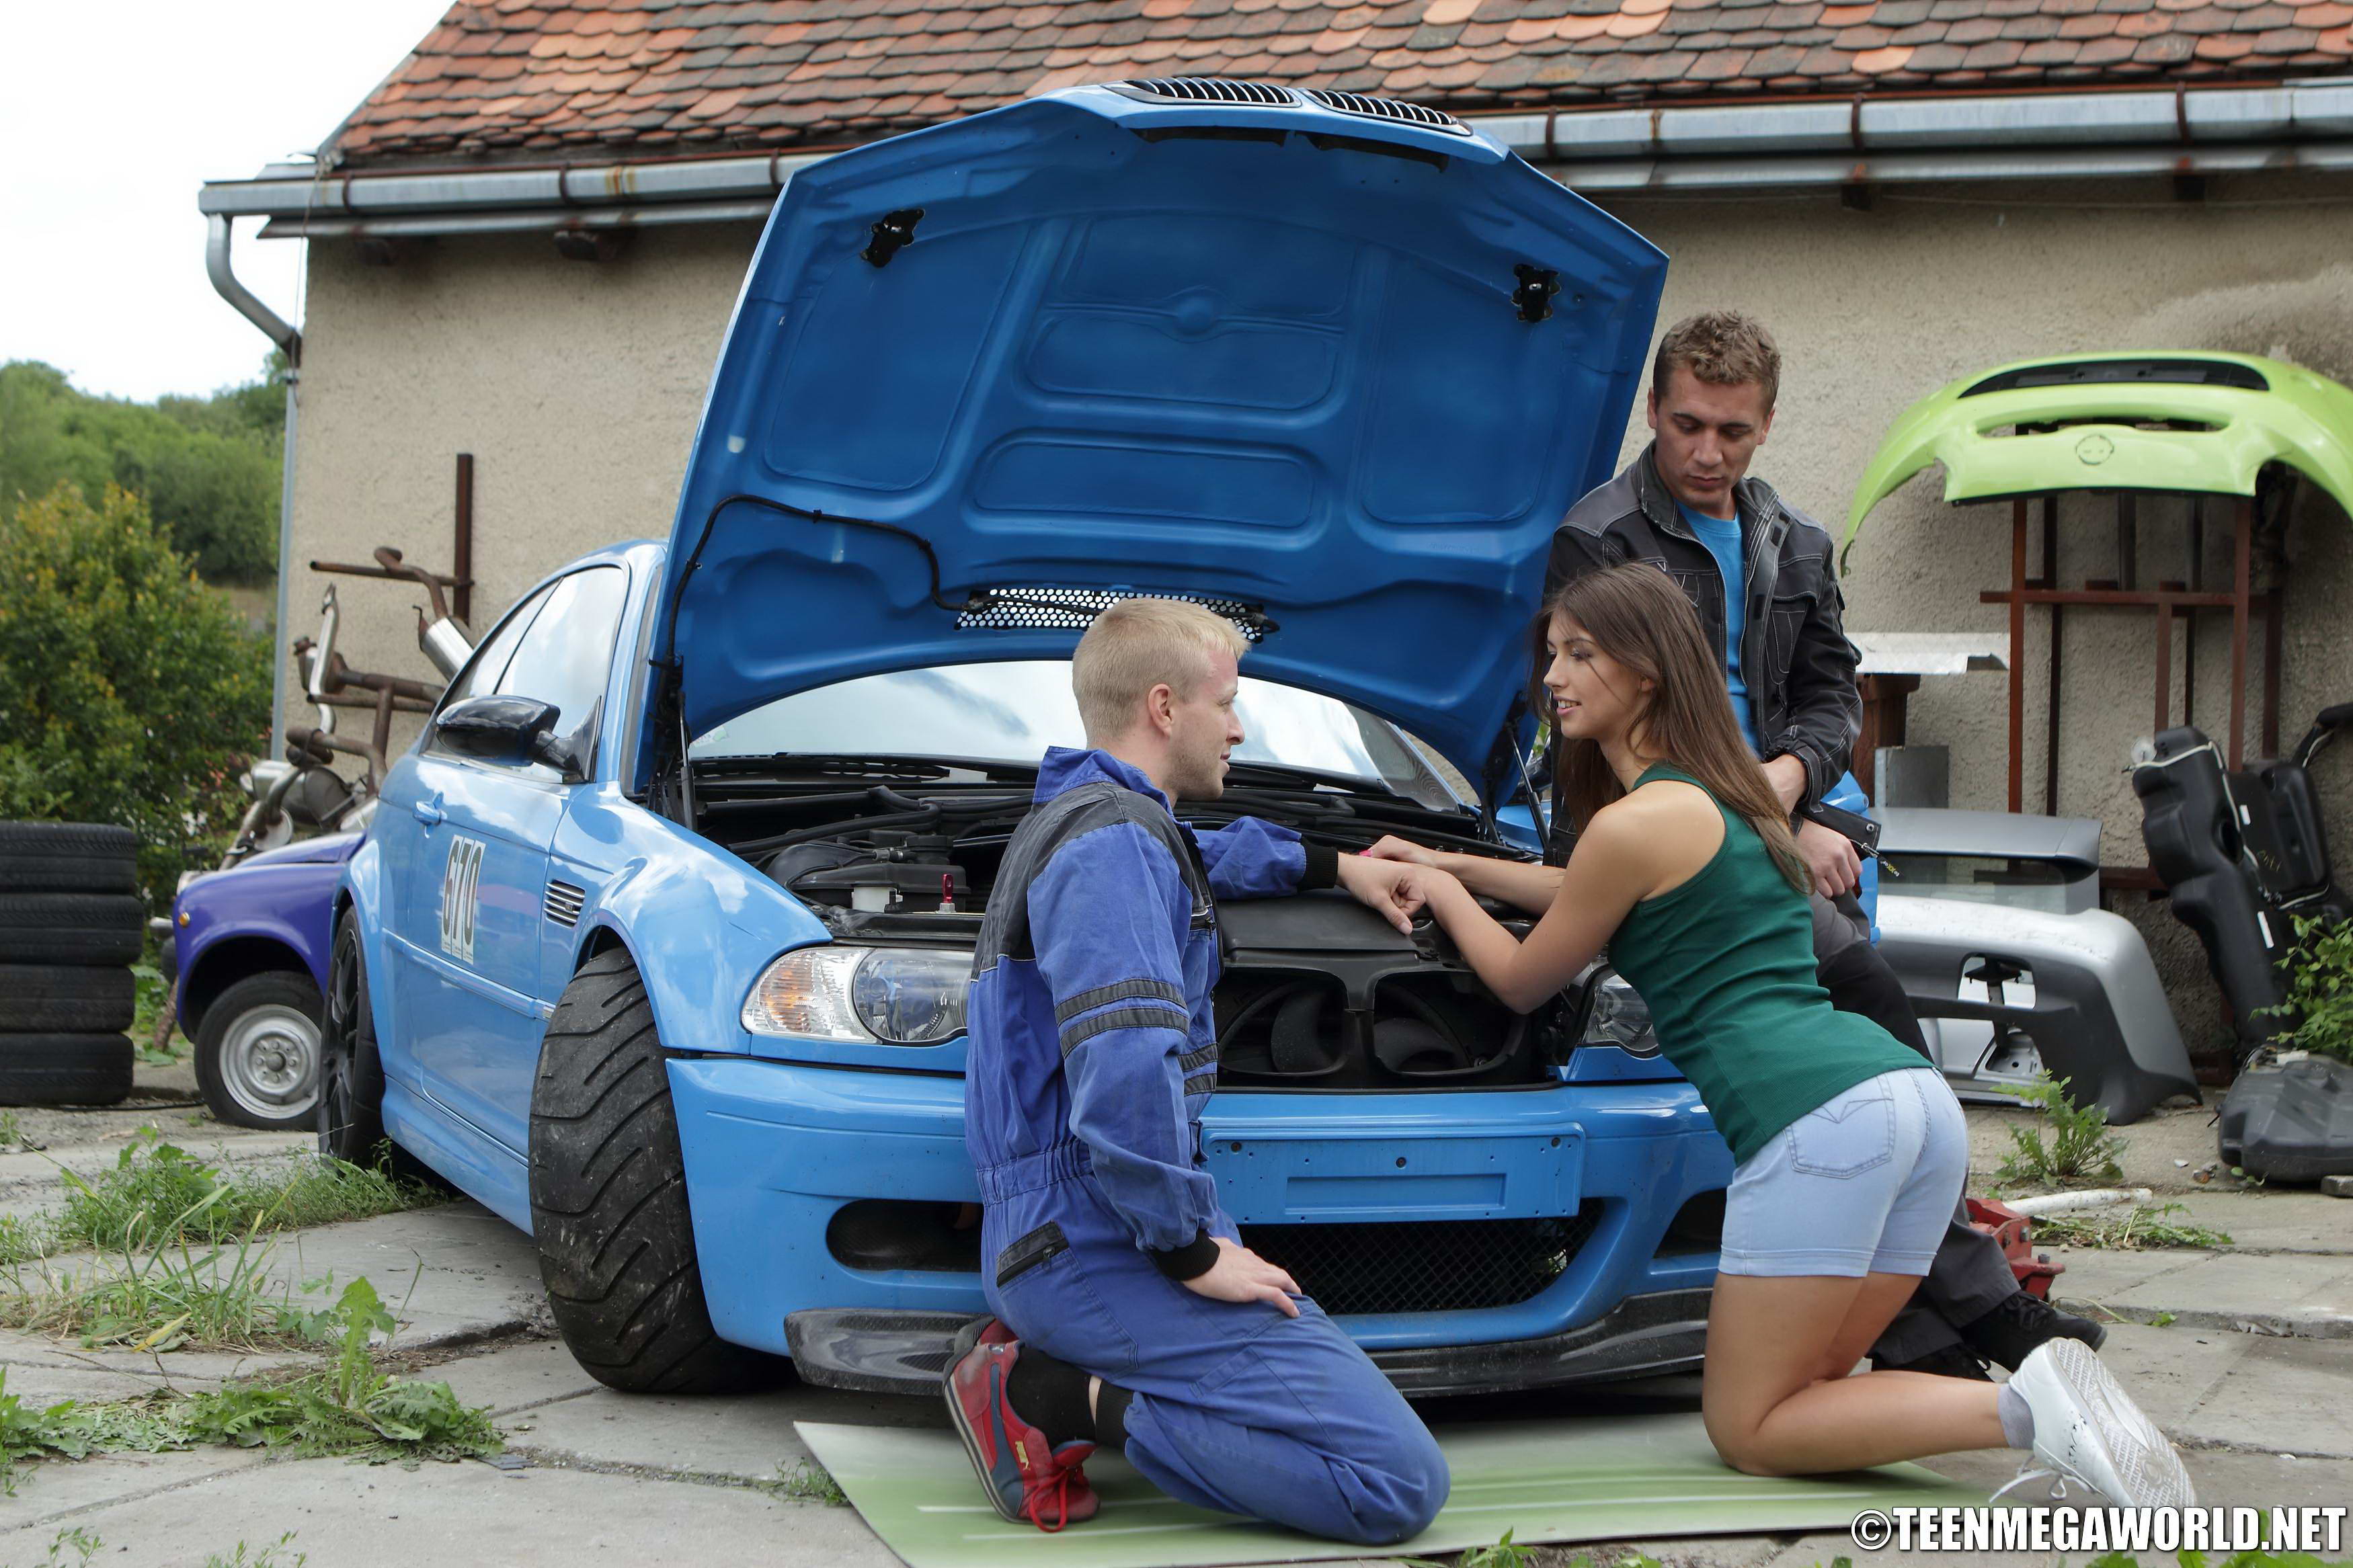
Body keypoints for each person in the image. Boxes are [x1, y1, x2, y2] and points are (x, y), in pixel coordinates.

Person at [1367, 562, 2192, 1500]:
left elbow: (1521, 979)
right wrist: (1451, 858)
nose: (1553, 675)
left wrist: (1436, 890)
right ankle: (2073, 1417)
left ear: (1645, 671)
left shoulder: (1631, 825)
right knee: (1811, 1392)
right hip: (1912, 1102)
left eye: (1581, 653)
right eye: (1552, 653)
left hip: (1815, 1122)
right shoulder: (1730, 800)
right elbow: (1584, 891)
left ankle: (2034, 1412)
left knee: (1749, 1427)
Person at [1533, 310, 2103, 1381]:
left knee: (1874, 1032)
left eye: (1735, 434)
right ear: (1653, 412)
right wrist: (1763, 815)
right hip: (1673, 828)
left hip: (1770, 819)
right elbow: (1595, 710)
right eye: (1689, 426)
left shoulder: (1791, 537)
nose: (1709, 453)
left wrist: (1792, 789)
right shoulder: (1600, 535)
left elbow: (1834, 695)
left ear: (1768, 425)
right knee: (1868, 1009)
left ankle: (1935, 1315)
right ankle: (1967, 1316)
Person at [944, 597, 1449, 1541]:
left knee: (1317, 1409)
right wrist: (1189, 1251)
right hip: (1098, 1237)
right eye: (1229, 701)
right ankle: (1046, 1392)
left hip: (1073, 1227)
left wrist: (1336, 864)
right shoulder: (1111, 849)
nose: (1241, 724)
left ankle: (1067, 1367)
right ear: (1166, 707)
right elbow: (1124, 1068)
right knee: (1392, 1482)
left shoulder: (1099, 824)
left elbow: (1199, 854)